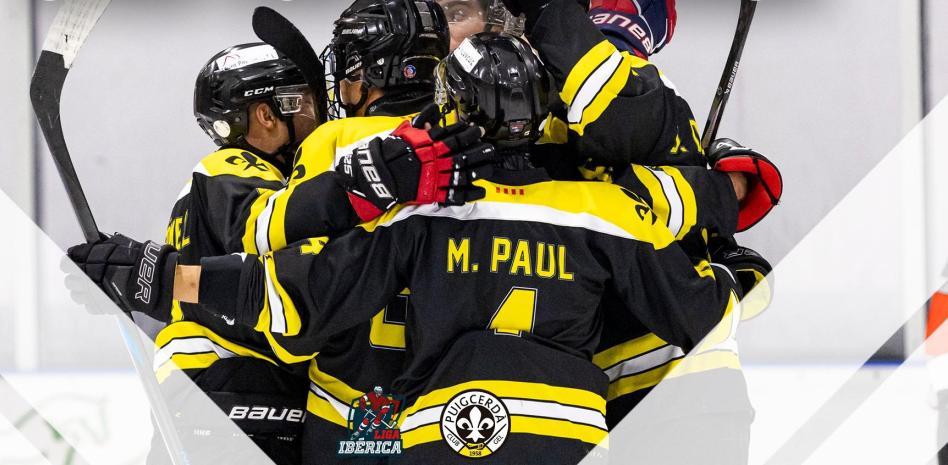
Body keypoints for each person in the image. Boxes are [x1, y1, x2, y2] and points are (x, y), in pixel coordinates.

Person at [66, 33, 766, 464]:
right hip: (572, 428)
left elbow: (289, 292)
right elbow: (705, 309)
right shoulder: (599, 201)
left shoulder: (404, 200)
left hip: (389, 428)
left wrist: (159, 278)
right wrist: (725, 251)